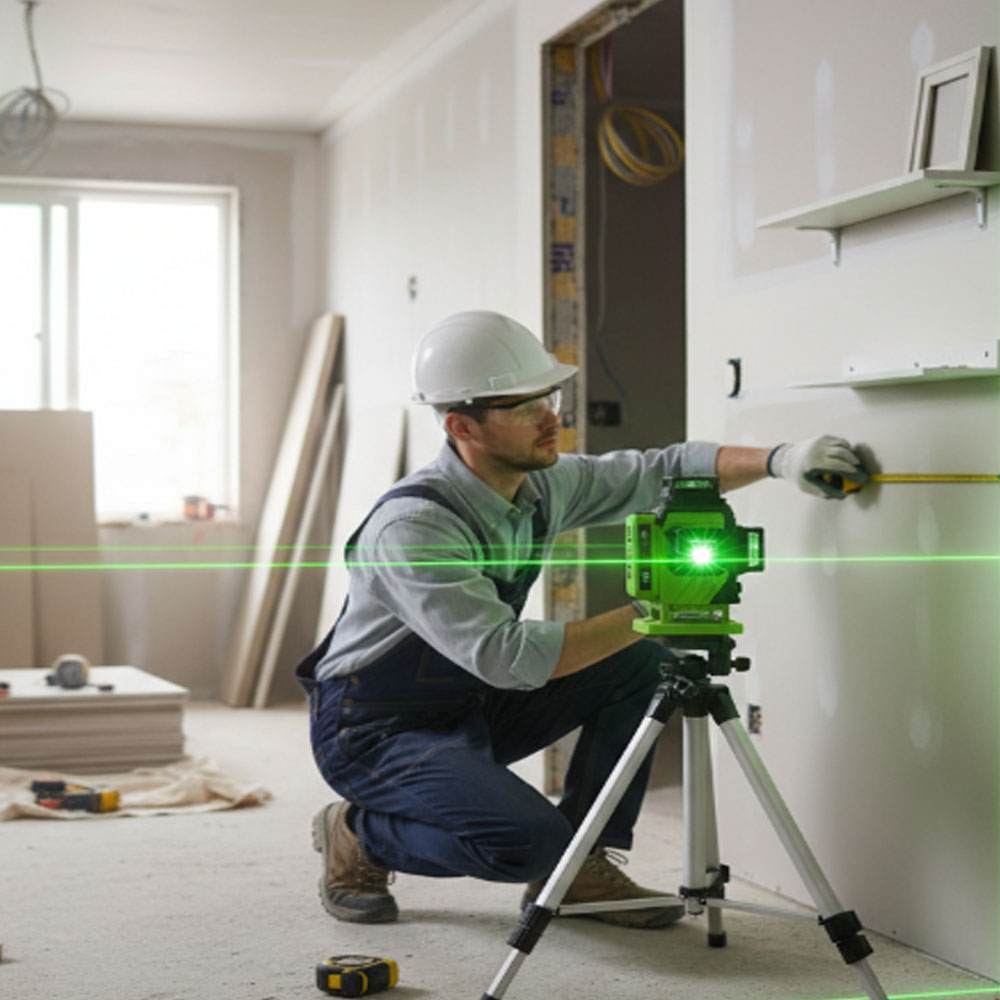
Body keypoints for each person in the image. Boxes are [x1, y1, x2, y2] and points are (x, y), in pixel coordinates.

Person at [295, 310, 866, 929]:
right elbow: (507, 658)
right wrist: (655, 609)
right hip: (374, 727)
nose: (551, 417)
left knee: (645, 663)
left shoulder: (540, 486)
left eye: (551, 396)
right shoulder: (415, 527)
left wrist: (781, 460)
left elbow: (661, 470)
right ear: (461, 425)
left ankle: (583, 869)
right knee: (526, 842)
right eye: (524, 406)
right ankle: (359, 833)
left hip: (469, 702)